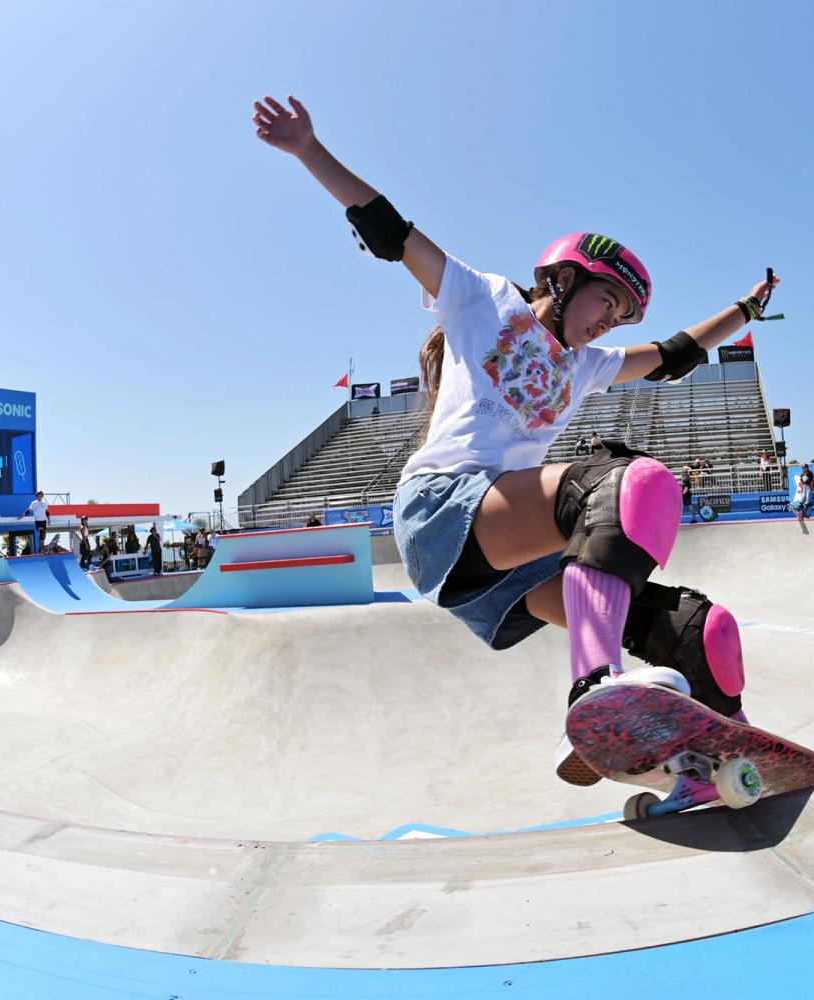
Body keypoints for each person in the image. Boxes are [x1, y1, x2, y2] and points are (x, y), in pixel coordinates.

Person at [256, 94, 769, 787]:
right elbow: (391, 232)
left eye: (619, 318)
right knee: (628, 483)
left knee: (700, 629)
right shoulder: (483, 300)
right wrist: (309, 151)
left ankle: (721, 765)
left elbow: (673, 354)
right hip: (443, 510)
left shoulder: (589, 366)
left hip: (505, 566)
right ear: (563, 280)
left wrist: (743, 310)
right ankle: (594, 687)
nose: (607, 326)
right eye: (603, 305)